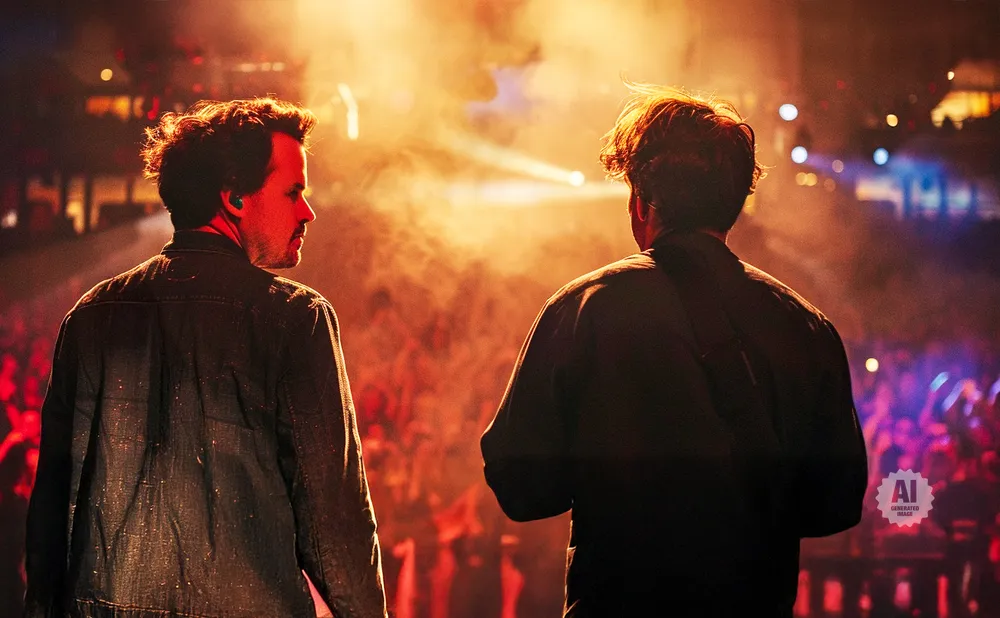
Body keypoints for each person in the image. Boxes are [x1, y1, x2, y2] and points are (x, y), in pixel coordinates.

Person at [480, 83, 869, 617]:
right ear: (734, 203)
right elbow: (834, 505)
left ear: (640, 203)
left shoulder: (587, 308)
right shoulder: (806, 328)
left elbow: (522, 488)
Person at [24, 98, 387, 618]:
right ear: (235, 197)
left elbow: (51, 514)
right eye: (293, 191)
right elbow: (336, 520)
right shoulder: (294, 320)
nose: (308, 211)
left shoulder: (91, 316)